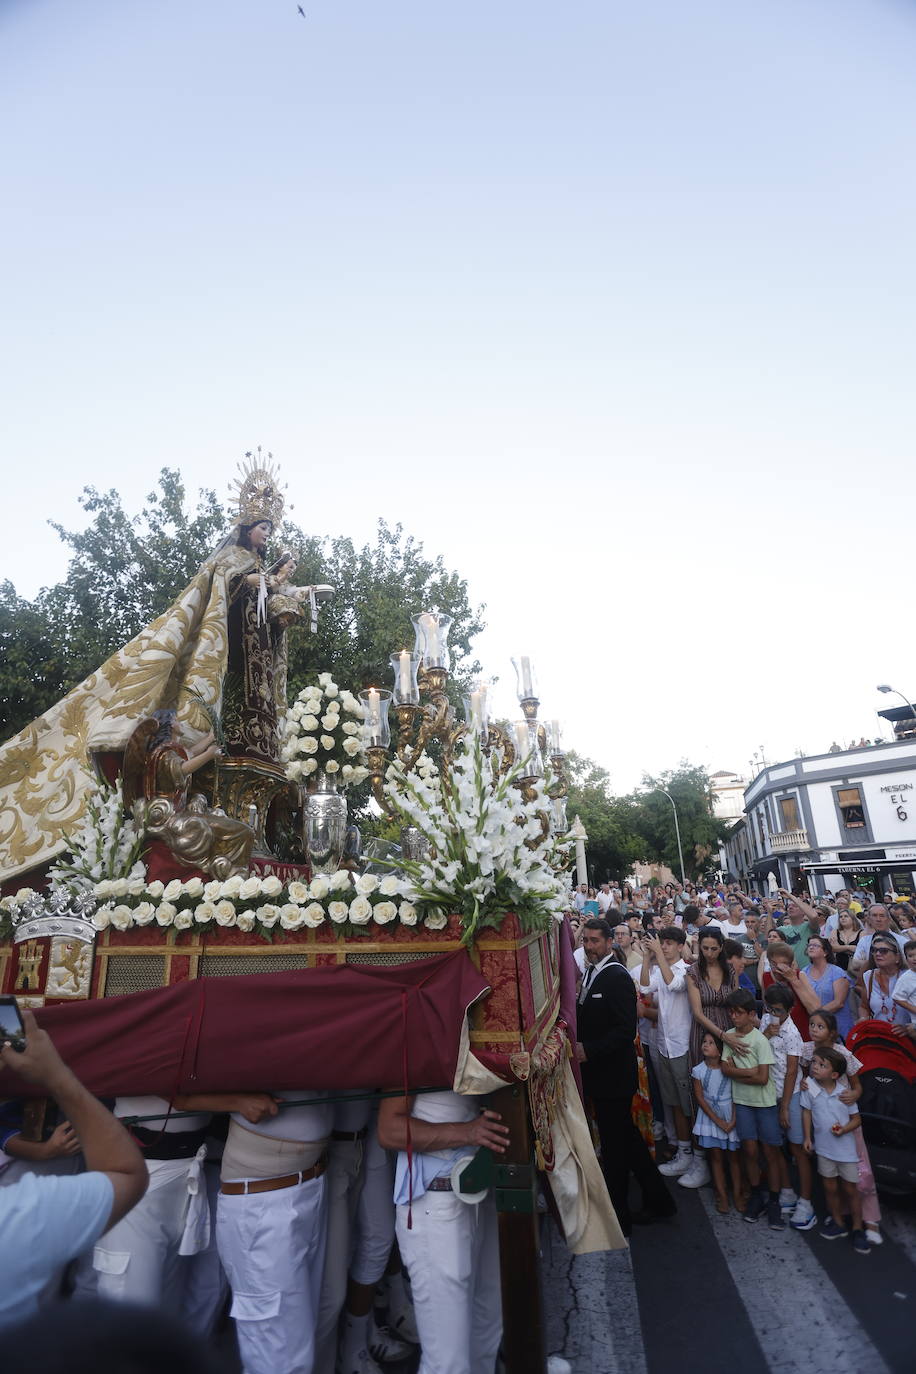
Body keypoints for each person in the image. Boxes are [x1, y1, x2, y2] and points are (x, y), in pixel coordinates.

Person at [0, 1008, 148, 1329]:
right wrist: (57, 1077)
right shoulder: (13, 1216)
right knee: (49, 1284)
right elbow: (126, 1175)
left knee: (92, 1271)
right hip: (42, 1157)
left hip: (75, 1154)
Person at [377, 1088, 508, 1374]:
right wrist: (469, 1132)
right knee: (447, 1364)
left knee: (485, 1340)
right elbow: (389, 1130)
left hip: (481, 1193)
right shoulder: (412, 1052)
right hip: (435, 1204)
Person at [216, 1089, 334, 1374]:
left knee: (299, 1340)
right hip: (260, 1202)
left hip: (310, 1185)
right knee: (278, 1355)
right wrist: (235, 1100)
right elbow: (172, 1087)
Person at [576, 918, 675, 1235]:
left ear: (609, 942)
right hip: (601, 1075)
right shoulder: (592, 972)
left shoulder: (616, 976)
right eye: (586, 941)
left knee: (616, 1148)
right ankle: (660, 1201)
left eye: (594, 941)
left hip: (613, 1076)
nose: (589, 946)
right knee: (627, 1141)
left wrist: (589, 1049)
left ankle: (620, 1217)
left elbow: (624, 1029)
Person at [800, 1012, 882, 1246]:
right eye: (812, 1025)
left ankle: (869, 1221)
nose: (814, 1029)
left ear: (832, 1032)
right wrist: (804, 1083)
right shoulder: (807, 1050)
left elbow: (857, 1086)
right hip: (823, 1124)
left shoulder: (843, 1053)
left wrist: (853, 1095)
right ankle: (840, 1217)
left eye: (820, 1026)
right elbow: (804, 1077)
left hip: (846, 1121)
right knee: (832, 1179)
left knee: (860, 1175)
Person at [641, 928, 707, 1187]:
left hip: (683, 1046)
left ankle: (700, 1161)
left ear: (681, 946)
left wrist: (657, 953)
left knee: (691, 1105)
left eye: (668, 943)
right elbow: (644, 986)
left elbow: (673, 985)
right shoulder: (660, 969)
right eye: (662, 943)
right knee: (675, 1105)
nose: (664, 947)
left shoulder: (688, 970)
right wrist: (646, 957)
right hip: (664, 1045)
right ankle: (684, 1152)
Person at [720, 989, 784, 1229]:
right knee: (749, 1150)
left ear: (750, 1014)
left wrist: (738, 1072)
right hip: (742, 1102)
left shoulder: (759, 1040)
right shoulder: (729, 1037)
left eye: (738, 1013)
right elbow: (725, 1069)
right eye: (731, 1013)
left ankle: (775, 1201)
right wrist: (749, 1072)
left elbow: (762, 1078)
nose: (733, 1017)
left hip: (764, 1104)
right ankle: (757, 1195)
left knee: (770, 1152)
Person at [801, 1047, 870, 1254]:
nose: (815, 1067)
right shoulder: (810, 1088)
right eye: (814, 1062)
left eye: (822, 1065)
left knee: (850, 1190)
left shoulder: (844, 1094)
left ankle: (857, 1228)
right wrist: (807, 1137)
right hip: (824, 1150)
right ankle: (838, 1222)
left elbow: (856, 1119)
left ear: (834, 1075)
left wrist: (844, 1129)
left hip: (846, 1153)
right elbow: (807, 1112)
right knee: (829, 1188)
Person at [760, 985, 811, 1227]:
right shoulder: (766, 1020)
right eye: (769, 1008)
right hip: (769, 1094)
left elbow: (792, 1071)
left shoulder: (792, 1033)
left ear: (789, 1010)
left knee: (797, 1148)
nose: (773, 1014)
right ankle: (787, 1191)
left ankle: (806, 1202)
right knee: (775, 1146)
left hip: (790, 1096)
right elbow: (759, 1046)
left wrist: (785, 1107)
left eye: (778, 1010)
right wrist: (766, 1034)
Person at [690, 1032, 741, 1213]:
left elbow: (736, 1093)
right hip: (711, 1118)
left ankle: (738, 1194)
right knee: (716, 1157)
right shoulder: (698, 1071)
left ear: (720, 1051)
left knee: (734, 1157)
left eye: (711, 1043)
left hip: (730, 1115)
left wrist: (733, 1120)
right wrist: (718, 1121)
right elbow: (700, 1097)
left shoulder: (729, 1069)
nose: (706, 1044)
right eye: (704, 1041)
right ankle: (722, 1195)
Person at [685, 928, 738, 1068]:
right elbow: (697, 1013)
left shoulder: (730, 971)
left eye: (714, 949)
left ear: (721, 948)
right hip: (703, 1033)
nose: (709, 953)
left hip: (729, 1029)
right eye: (705, 948)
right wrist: (722, 1035)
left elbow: (736, 1004)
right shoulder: (693, 972)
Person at [801, 936, 853, 1040]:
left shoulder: (837, 972)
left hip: (836, 1026)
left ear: (825, 952)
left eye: (815, 945)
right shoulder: (804, 972)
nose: (811, 947)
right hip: (815, 1029)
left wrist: (816, 1016)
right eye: (809, 945)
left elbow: (839, 1003)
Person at [855, 938, 910, 1025]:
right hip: (879, 1031)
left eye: (884, 951)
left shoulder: (908, 977)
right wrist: (863, 1018)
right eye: (874, 950)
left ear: (897, 957)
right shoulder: (869, 976)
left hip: (906, 1032)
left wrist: (909, 1028)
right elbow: (864, 1007)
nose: (877, 954)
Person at [849, 905, 909, 971]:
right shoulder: (864, 941)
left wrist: (867, 962)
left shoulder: (902, 941)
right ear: (869, 920)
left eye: (882, 916)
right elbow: (855, 964)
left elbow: (909, 963)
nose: (878, 919)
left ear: (889, 919)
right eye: (874, 915)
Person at [892, 940, 916, 1023]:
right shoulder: (906, 978)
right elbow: (897, 997)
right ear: (906, 959)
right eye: (910, 956)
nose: (915, 958)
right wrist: (913, 1009)